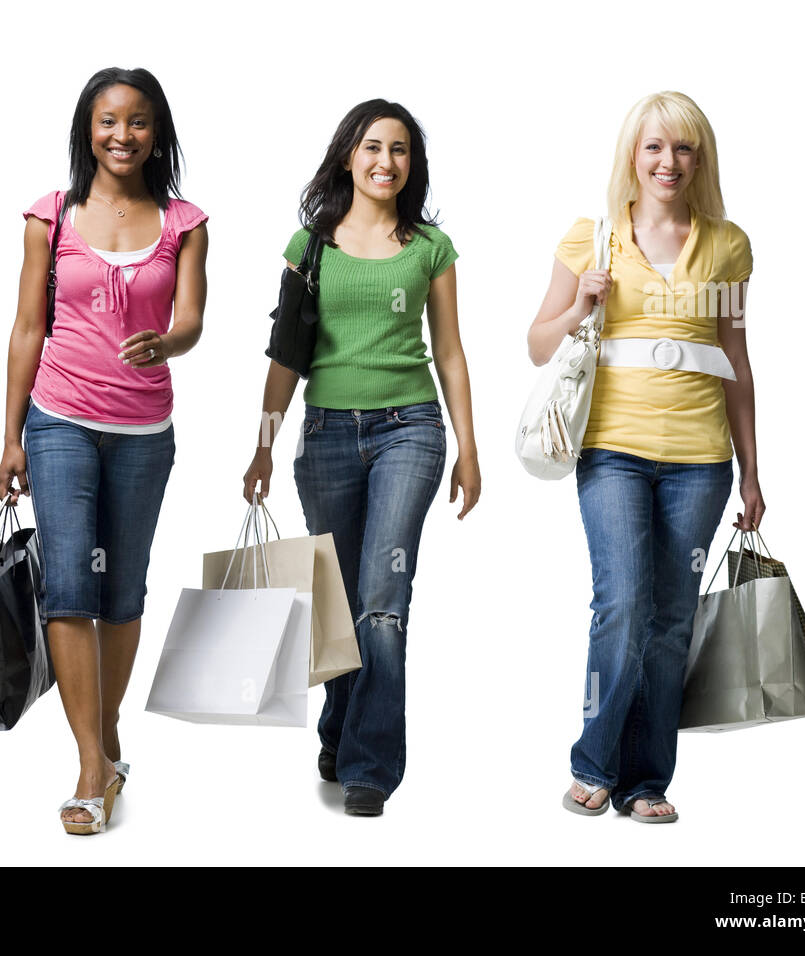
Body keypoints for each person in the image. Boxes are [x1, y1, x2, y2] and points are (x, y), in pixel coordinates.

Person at [528, 91, 763, 824]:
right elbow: (538, 343)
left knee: (670, 621)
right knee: (623, 606)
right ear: (634, 154)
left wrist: (753, 471)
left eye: (684, 148)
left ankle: (646, 780)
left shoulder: (726, 245)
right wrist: (580, 307)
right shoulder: (591, 238)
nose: (669, 162)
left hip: (700, 461)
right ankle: (593, 763)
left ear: (700, 159)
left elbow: (737, 360)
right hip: (613, 453)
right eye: (656, 147)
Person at [243, 99, 481, 817]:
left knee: (383, 601)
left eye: (400, 149)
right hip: (325, 436)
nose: (386, 161)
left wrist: (469, 448)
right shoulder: (308, 245)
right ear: (348, 155)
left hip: (409, 430)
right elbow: (286, 355)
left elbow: (450, 352)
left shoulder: (429, 248)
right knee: (337, 598)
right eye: (373, 147)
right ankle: (340, 727)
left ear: (414, 163)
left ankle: (370, 766)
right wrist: (262, 445)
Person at [0, 67, 208, 835]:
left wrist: (170, 343)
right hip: (59, 420)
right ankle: (92, 763)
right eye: (109, 120)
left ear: (158, 134)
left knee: (122, 594)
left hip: (144, 432)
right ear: (88, 129)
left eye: (139, 122)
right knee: (69, 591)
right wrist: (10, 434)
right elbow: (27, 328)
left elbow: (191, 319)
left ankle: (105, 732)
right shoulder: (50, 216)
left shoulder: (184, 222)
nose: (123, 135)